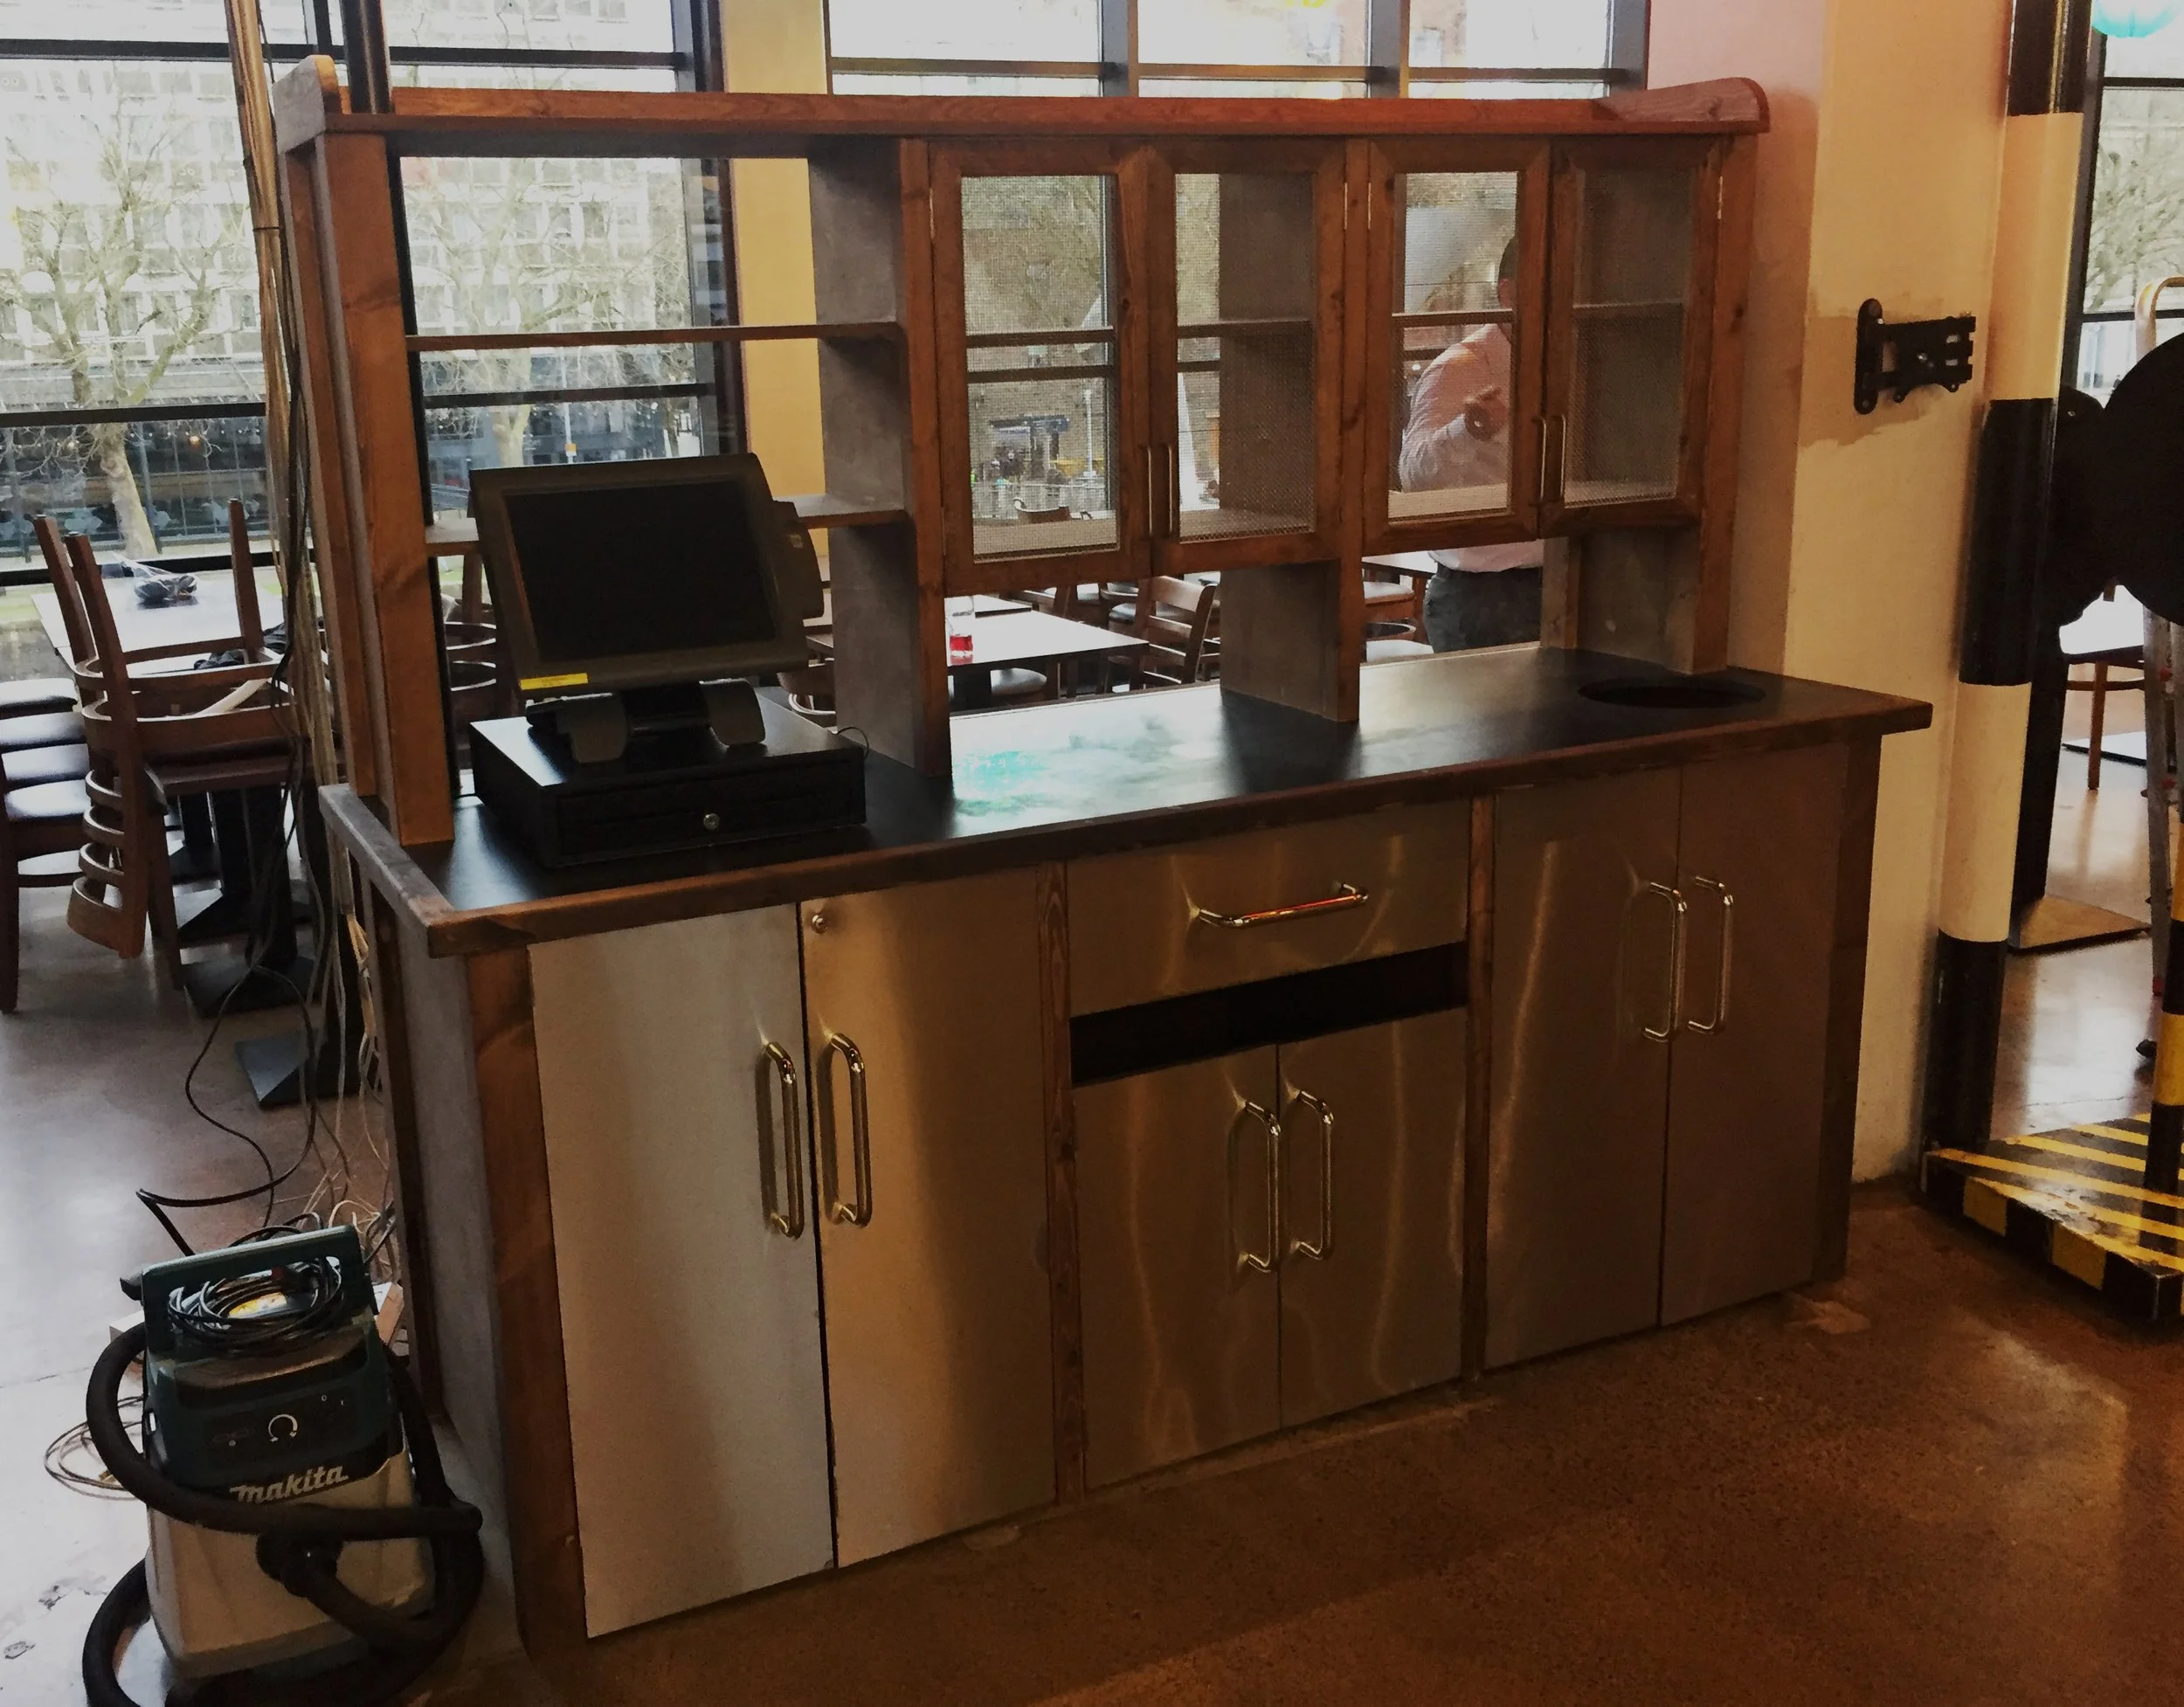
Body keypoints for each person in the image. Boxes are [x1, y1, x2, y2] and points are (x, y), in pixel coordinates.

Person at [1398, 238, 1545, 652]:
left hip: (1573, 582)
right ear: (1509, 293)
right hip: (1485, 599)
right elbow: (1413, 475)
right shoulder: (1459, 369)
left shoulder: (1578, 362)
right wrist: (1468, 432)